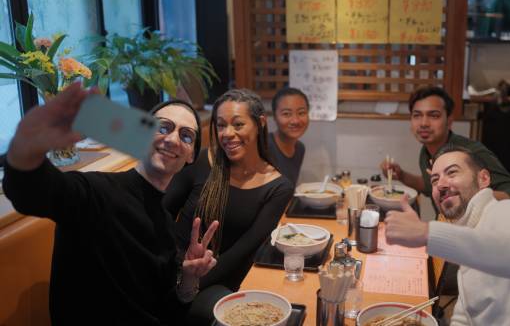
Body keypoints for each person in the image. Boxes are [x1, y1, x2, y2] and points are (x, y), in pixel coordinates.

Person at [2, 82, 219, 325]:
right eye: (163, 127)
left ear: (190, 155)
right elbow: (30, 192)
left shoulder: (165, 227)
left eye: (186, 135)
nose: (172, 139)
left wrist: (189, 278)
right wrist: (26, 145)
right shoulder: (96, 192)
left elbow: (168, 312)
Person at [384, 145, 510, 325]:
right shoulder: (473, 238)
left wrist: (428, 233)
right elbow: (466, 314)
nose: (441, 185)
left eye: (452, 173)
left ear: (484, 179)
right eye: (435, 180)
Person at [163, 89, 294, 325]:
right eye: (221, 125)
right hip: (169, 272)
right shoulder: (202, 161)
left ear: (260, 124)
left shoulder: (278, 188)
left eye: (238, 124)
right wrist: (172, 278)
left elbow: (241, 254)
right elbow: (161, 214)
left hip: (217, 282)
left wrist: (188, 286)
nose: (227, 134)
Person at [380, 86, 510, 209]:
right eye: (417, 115)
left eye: (434, 115)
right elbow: (428, 186)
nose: (424, 123)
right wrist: (401, 175)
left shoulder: (470, 153)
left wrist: (469, 193)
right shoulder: (427, 151)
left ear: (449, 121)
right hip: (447, 225)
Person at [268, 87, 310, 186]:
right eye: (286, 114)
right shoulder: (264, 147)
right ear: (274, 116)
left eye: (301, 113)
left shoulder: (300, 148)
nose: (295, 120)